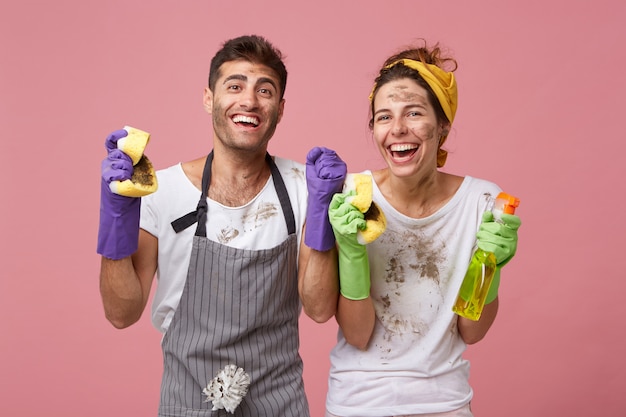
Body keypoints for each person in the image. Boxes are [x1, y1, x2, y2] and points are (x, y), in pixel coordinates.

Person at [97, 34, 345, 417]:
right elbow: (121, 313)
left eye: (265, 90)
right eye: (235, 86)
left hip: (279, 405)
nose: (249, 100)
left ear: (279, 109)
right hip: (187, 402)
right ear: (209, 98)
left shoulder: (303, 188)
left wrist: (323, 212)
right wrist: (116, 217)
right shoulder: (162, 191)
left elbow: (317, 308)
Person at [325, 40, 522, 417]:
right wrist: (350, 251)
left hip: (445, 402)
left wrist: (489, 265)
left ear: (442, 125)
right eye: (383, 117)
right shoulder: (352, 197)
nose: (398, 128)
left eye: (413, 113)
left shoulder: (483, 202)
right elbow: (357, 335)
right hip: (359, 402)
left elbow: (472, 332)